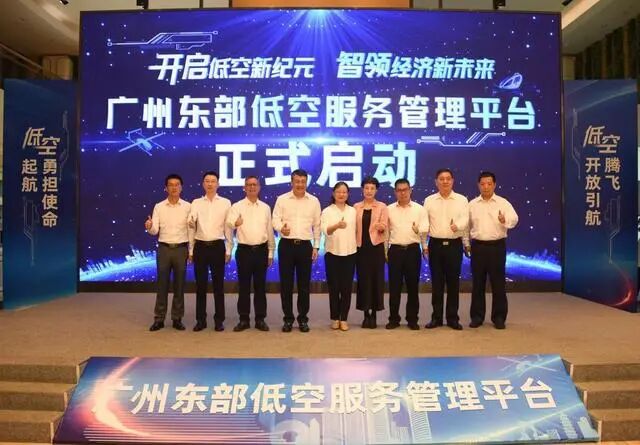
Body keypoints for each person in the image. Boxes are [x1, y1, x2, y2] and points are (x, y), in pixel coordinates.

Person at [466, 171, 518, 329]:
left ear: (494, 185)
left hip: (497, 247)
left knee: (498, 284)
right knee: (478, 284)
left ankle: (499, 317)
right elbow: (466, 227)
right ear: (478, 185)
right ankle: (477, 317)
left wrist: (504, 220)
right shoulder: (472, 204)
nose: (486, 187)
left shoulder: (503, 203)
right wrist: (466, 244)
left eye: (489, 184)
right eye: (483, 184)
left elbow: (514, 219)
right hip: (478, 247)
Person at [272, 169, 321, 333]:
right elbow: (275, 219)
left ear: (306, 182)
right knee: (286, 285)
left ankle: (303, 319)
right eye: (297, 181)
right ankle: (288, 319)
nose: (300, 184)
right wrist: (281, 228)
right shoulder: (282, 199)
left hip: (305, 246)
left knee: (304, 285)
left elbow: (317, 225)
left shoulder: (313, 201)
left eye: (303, 181)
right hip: (286, 246)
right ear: (291, 182)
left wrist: (316, 246)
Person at [226, 176, 275, 332]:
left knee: (260, 287)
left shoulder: (265, 207)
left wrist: (271, 252)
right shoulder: (237, 206)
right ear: (244, 187)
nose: (252, 187)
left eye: (254, 185)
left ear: (259, 187)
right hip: (244, 251)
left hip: (261, 250)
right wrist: (235, 223)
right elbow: (229, 223)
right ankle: (244, 319)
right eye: (249, 185)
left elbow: (269, 230)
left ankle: (260, 319)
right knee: (244, 287)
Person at [423, 168, 469, 330]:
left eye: (448, 178)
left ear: (453, 181)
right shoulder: (429, 200)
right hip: (435, 245)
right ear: (436, 182)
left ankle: (452, 318)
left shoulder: (462, 200)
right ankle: (436, 318)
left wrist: (465, 241)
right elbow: (425, 224)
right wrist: (424, 245)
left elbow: (466, 222)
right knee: (437, 283)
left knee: (453, 283)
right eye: (441, 179)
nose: (445, 181)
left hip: (454, 245)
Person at [145, 174, 190, 331]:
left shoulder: (188, 207)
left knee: (179, 285)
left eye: (177, 184)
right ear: (166, 188)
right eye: (171, 185)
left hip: (181, 249)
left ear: (181, 187)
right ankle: (159, 318)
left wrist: (191, 251)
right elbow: (155, 230)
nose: (174, 187)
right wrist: (149, 226)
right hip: (164, 248)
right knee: (162, 285)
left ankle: (177, 318)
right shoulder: (159, 207)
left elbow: (191, 230)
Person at [188, 171, 232, 332]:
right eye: (207, 181)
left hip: (217, 247)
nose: (210, 184)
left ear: (218, 184)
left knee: (218, 286)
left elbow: (228, 228)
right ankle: (201, 320)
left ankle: (219, 320)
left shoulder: (226, 203)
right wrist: (191, 250)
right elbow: (191, 226)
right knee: (200, 286)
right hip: (200, 247)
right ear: (203, 184)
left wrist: (229, 249)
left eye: (213, 181)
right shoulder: (196, 203)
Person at [386, 179, 429, 330]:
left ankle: (412, 319)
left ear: (410, 190)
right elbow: (386, 233)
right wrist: (385, 251)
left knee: (412, 287)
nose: (402, 193)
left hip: (412, 251)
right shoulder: (389, 209)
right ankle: (393, 319)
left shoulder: (419, 209)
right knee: (394, 287)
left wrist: (424, 247)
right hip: (395, 251)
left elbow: (424, 230)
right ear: (395, 192)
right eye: (399, 190)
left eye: (405, 190)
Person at [321, 181, 357, 331]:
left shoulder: (353, 211)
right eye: (338, 192)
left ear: (348, 194)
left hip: (350, 253)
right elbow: (326, 231)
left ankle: (344, 318)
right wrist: (337, 225)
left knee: (347, 288)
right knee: (334, 287)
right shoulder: (327, 211)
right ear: (333, 194)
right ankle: (335, 318)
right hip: (332, 253)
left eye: (344, 192)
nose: (341, 194)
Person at [354, 176, 388, 329]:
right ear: (362, 190)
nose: (369, 191)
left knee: (376, 281)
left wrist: (380, 226)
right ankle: (365, 314)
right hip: (360, 248)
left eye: (372, 188)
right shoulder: (356, 207)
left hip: (376, 248)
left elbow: (384, 225)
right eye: (366, 188)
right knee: (363, 281)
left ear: (376, 190)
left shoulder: (382, 207)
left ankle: (374, 314)